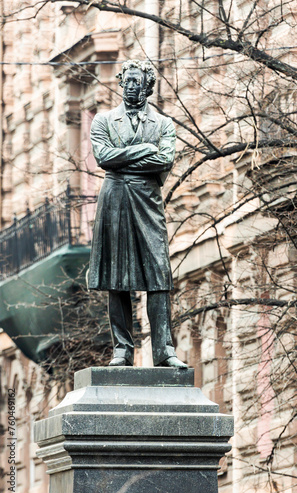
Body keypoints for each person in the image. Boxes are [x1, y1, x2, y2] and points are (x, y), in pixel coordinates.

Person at [88, 59, 187, 368]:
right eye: (127, 80)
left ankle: (164, 350)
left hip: (148, 200)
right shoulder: (102, 121)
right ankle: (122, 350)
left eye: (137, 82)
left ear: (147, 86)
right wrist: (144, 150)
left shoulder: (164, 124)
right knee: (117, 276)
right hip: (115, 199)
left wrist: (124, 161)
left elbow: (165, 160)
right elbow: (103, 158)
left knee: (159, 273)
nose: (131, 86)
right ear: (121, 83)